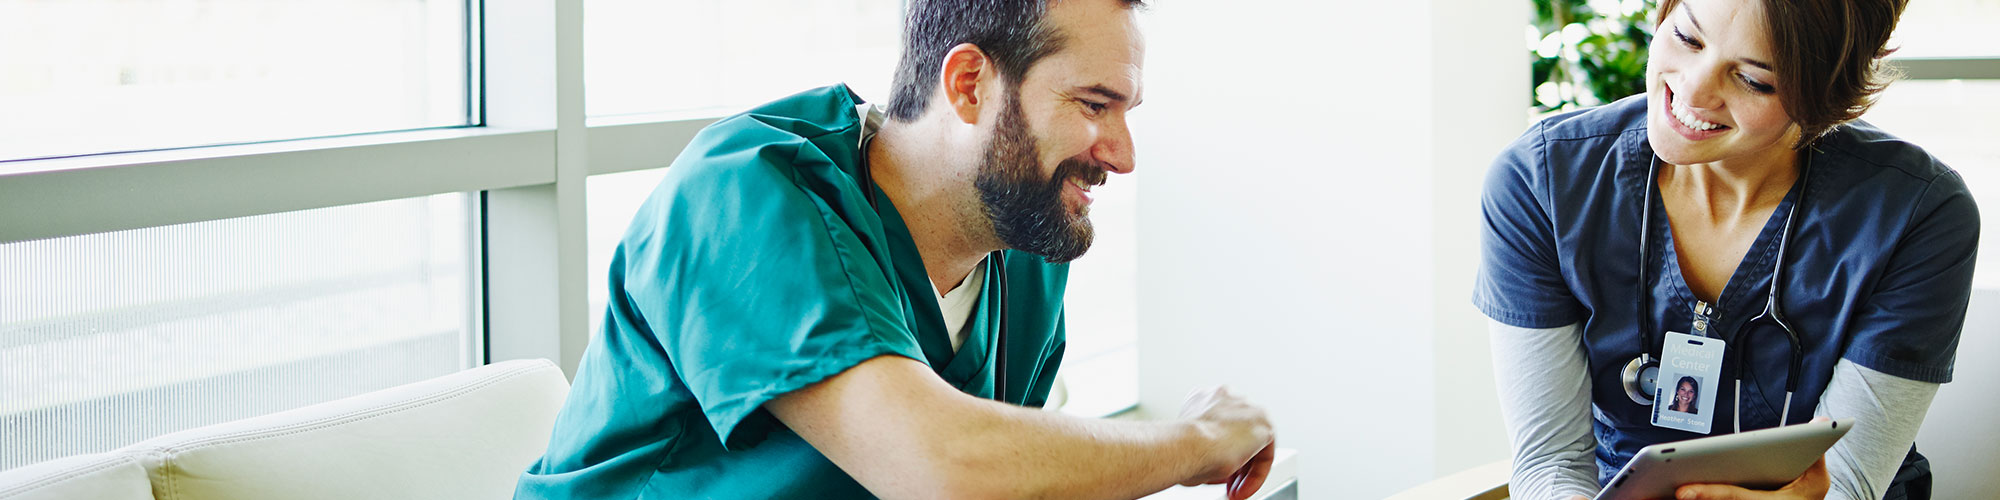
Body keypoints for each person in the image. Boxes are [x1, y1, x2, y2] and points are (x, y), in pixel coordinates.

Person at [513, 1, 1278, 499]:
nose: (1122, 152)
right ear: (970, 83)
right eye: (1093, 104)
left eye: (1127, 110)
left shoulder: (1027, 253)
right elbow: (941, 466)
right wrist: (1198, 444)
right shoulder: (749, 191)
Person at [1477, 0, 1978, 499]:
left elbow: (1847, 481)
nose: (1693, 90)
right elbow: (1552, 462)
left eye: (1754, 80)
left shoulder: (1919, 214)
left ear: (1826, 97)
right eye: (1687, 38)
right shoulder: (1541, 182)